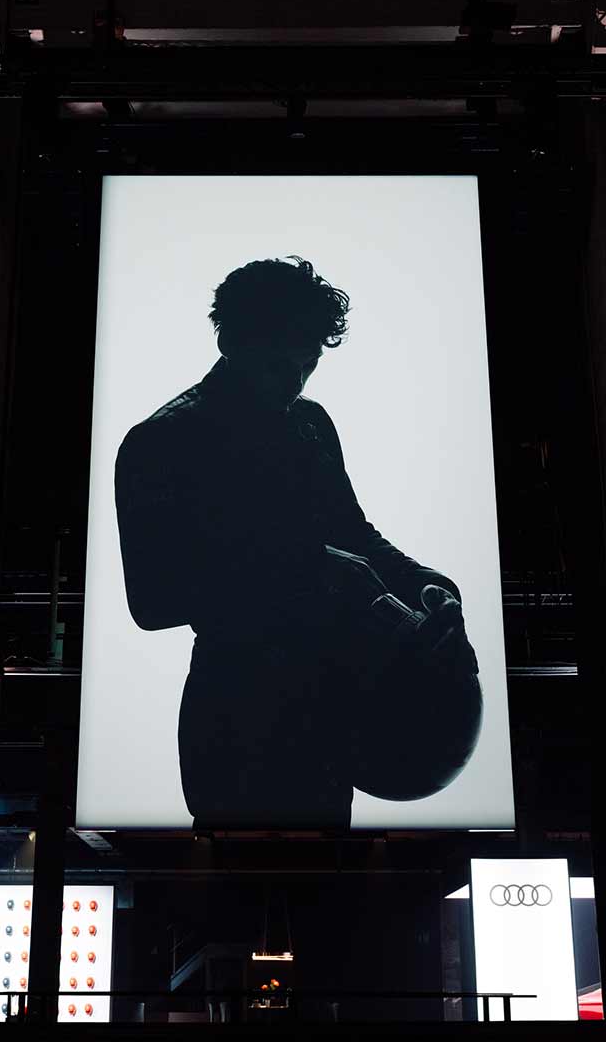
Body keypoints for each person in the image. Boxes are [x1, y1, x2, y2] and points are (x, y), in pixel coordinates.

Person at [114, 256, 478, 829]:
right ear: (230, 342)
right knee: (243, 882)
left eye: (308, 364)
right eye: (278, 364)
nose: (295, 381)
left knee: (326, 881)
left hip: (329, 709)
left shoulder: (310, 423)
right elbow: (153, 602)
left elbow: (355, 536)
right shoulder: (161, 442)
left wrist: (432, 584)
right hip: (234, 720)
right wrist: (309, 568)